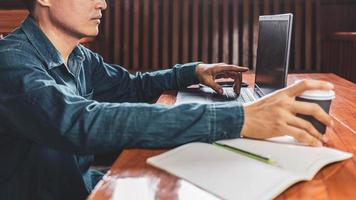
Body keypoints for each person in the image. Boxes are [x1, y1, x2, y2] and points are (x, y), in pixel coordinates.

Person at [0, 0, 334, 199]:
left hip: (78, 185)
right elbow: (79, 121)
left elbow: (132, 86)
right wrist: (242, 119)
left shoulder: (80, 58)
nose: (103, 3)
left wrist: (193, 71)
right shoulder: (12, 61)